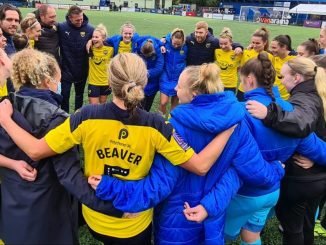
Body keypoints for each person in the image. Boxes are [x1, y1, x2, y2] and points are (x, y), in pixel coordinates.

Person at [0, 53, 235, 245]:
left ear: (110, 84)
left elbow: (35, 151)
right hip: (133, 224)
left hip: (95, 219)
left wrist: (6, 120)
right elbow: (201, 166)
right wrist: (229, 127)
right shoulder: (157, 124)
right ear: (143, 83)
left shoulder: (84, 117)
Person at [87, 63, 285, 245]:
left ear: (194, 94)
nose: (174, 89)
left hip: (177, 218)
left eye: (179, 86)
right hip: (211, 219)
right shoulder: (236, 123)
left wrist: (109, 186)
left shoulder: (175, 128)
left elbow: (159, 185)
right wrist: (276, 168)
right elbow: (252, 172)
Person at [0, 49, 122, 244]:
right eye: (58, 79)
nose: (59, 84)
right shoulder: (56, 119)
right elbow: (70, 176)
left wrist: (11, 164)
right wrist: (115, 207)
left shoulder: (5, 106)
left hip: (12, 206)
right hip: (46, 211)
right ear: (47, 81)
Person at [222, 53, 326, 245]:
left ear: (250, 80)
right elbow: (319, 149)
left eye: (242, 81)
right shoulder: (290, 110)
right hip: (272, 192)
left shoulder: (241, 110)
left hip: (245, 191)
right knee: (251, 235)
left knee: (217, 234)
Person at [58, 5, 94, 112]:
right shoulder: (61, 27)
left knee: (79, 96)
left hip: (82, 70)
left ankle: (77, 118)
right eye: (77, 20)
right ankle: (64, 118)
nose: (80, 21)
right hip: (66, 69)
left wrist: (91, 40)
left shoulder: (90, 29)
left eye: (81, 18)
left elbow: (101, 38)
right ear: (70, 18)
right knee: (64, 96)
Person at [237, 27, 272, 101]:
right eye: (253, 42)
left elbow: (269, 75)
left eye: (257, 43)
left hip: (258, 91)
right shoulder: (246, 52)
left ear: (265, 42)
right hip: (243, 89)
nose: (254, 45)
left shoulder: (269, 57)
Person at [159, 28, 187, 116]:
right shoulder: (165, 43)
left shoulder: (186, 47)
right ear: (171, 39)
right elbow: (154, 42)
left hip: (178, 78)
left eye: (178, 44)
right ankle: (161, 120)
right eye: (174, 43)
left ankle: (171, 122)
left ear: (183, 41)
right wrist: (161, 43)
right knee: (163, 102)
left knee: (175, 104)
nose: (176, 46)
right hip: (166, 76)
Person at [88, 24, 113, 104]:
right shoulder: (89, 47)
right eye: (93, 37)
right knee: (94, 108)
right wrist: (89, 41)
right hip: (93, 83)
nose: (94, 39)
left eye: (97, 37)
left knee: (102, 107)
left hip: (105, 83)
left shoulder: (110, 49)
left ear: (103, 38)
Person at [136, 37, 164, 111]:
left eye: (148, 56)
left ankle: (144, 119)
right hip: (140, 83)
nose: (145, 57)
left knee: (147, 106)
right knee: (138, 106)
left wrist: (144, 73)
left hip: (152, 83)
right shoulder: (138, 44)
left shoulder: (158, 50)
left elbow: (159, 68)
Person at [214, 27, 242, 94]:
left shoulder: (237, 53)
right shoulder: (217, 51)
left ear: (231, 42)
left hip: (231, 85)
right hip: (218, 83)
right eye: (221, 44)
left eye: (225, 44)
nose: (223, 46)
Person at [270, 35, 296, 100]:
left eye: (274, 48)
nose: (271, 50)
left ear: (284, 47)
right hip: (274, 94)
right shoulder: (275, 57)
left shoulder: (294, 59)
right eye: (271, 47)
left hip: (287, 97)